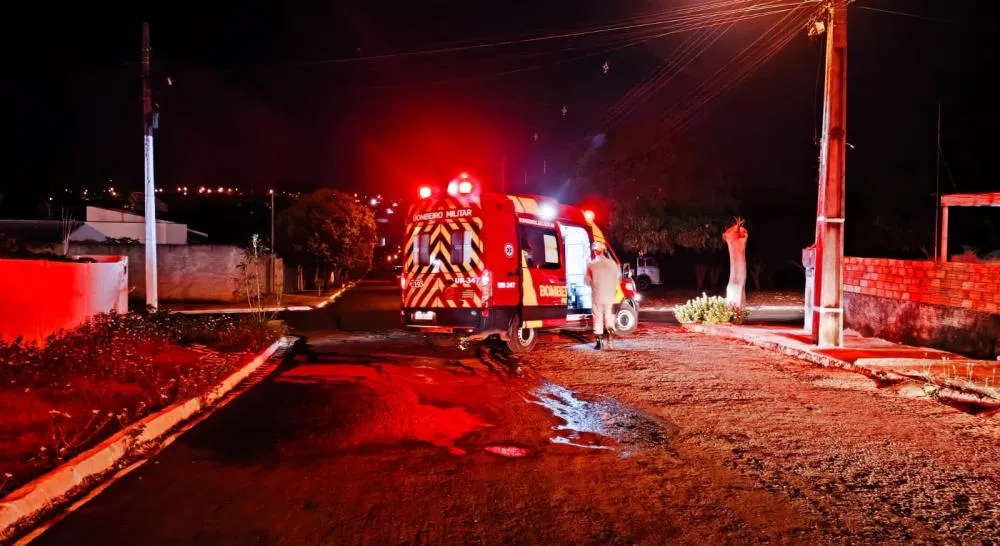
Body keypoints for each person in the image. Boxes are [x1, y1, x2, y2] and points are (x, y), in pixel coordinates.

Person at [585, 241, 621, 350]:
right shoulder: (612, 264)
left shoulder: (591, 265)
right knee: (609, 317)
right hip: (610, 296)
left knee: (598, 318)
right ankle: (610, 342)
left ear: (595, 252)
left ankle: (599, 343)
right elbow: (618, 279)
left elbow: (587, 281)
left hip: (597, 296)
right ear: (604, 251)